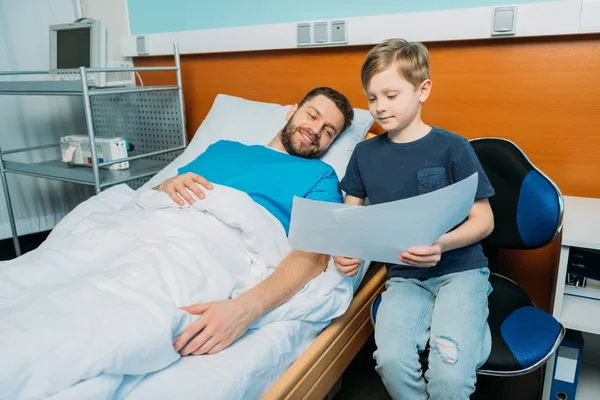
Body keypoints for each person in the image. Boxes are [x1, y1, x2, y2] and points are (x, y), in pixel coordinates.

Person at [332, 39, 495, 399]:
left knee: (449, 373)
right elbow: (350, 217)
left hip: (460, 271)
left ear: (423, 90)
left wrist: (441, 244)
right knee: (389, 361)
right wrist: (345, 251)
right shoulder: (364, 154)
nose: (379, 107)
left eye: (391, 95)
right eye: (372, 98)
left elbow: (484, 220)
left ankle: (462, 337)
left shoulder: (453, 147)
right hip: (405, 277)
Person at [153, 87, 354, 357]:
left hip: (210, 252)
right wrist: (165, 185)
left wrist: (245, 308)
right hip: (158, 231)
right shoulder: (222, 149)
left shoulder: (320, 176)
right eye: (312, 115)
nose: (316, 130)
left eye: (329, 131)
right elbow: (150, 201)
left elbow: (314, 255)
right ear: (292, 111)